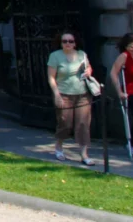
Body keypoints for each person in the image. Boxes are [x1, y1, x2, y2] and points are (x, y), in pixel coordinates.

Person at [47, 30, 96, 165]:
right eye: (65, 41)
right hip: (64, 93)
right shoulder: (55, 56)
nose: (68, 44)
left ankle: (84, 154)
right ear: (61, 43)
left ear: (75, 43)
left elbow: (88, 68)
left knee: (83, 123)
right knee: (65, 123)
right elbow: (51, 77)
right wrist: (56, 94)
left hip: (82, 93)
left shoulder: (82, 55)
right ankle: (59, 146)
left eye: (70, 41)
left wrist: (88, 71)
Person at [110, 32, 133, 159]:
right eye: (132, 46)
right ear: (126, 46)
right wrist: (119, 92)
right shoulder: (124, 56)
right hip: (131, 92)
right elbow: (113, 73)